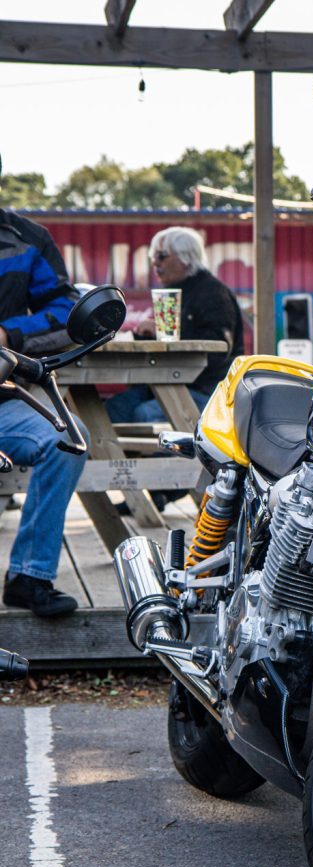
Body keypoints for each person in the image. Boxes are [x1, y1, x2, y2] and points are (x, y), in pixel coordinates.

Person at [0, 156, 88, 615]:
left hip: (3, 400)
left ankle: (29, 575)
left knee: (67, 438)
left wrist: (8, 334)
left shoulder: (27, 238)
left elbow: (67, 312)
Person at [106, 226, 244, 423]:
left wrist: (161, 331)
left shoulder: (213, 293)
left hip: (209, 391)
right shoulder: (175, 291)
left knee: (145, 413)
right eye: (153, 257)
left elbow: (218, 349)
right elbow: (169, 338)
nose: (155, 262)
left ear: (185, 258)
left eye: (161, 256)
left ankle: (174, 446)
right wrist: (144, 335)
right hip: (168, 383)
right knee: (114, 408)